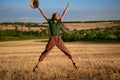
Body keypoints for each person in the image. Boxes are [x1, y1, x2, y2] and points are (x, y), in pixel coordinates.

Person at [33, 3, 77, 72]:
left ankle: (74, 63)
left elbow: (64, 13)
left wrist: (67, 8)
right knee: (46, 51)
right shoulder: (50, 21)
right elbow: (43, 14)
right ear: (54, 16)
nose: (58, 16)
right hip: (52, 39)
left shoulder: (59, 22)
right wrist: (39, 8)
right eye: (57, 15)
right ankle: (36, 66)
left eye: (58, 15)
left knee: (65, 50)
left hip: (59, 39)